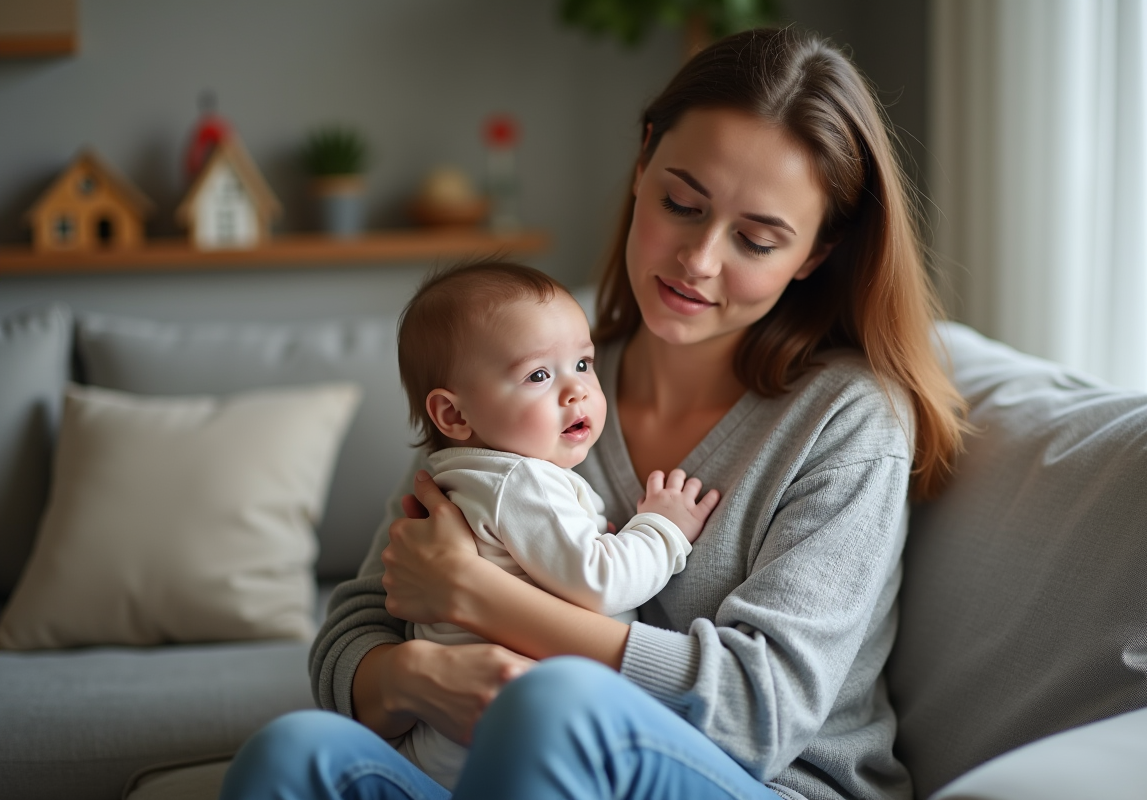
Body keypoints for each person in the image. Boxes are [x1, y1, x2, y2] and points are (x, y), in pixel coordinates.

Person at [221, 26, 966, 800]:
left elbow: (757, 712)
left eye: (756, 239)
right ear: (643, 161)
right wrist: (416, 676)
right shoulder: (524, 378)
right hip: (490, 769)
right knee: (294, 753)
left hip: (767, 786)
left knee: (553, 707)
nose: (699, 259)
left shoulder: (848, 421)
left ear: (814, 253)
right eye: (682, 203)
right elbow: (355, 632)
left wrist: (479, 598)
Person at [390, 261, 720, 789]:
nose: (576, 392)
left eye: (584, 365)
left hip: (453, 740)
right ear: (453, 416)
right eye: (539, 375)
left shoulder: (462, 476)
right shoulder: (518, 482)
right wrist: (662, 527)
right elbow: (600, 582)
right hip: (511, 736)